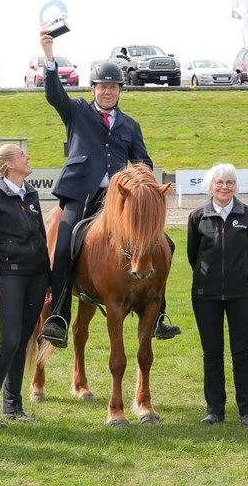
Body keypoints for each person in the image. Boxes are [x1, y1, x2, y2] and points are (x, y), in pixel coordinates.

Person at [38, 31, 180, 348]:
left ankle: (159, 315)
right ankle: (58, 317)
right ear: (92, 89)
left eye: (113, 87)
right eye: (102, 86)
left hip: (118, 200)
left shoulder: (130, 125)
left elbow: (143, 161)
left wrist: (139, 180)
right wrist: (49, 55)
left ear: (120, 91)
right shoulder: (76, 111)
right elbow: (54, 95)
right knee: (63, 246)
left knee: (164, 243)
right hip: (80, 196)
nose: (107, 91)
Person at [0, 144, 49, 429]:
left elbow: (41, 236)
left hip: (36, 277)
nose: (28, 157)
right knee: (9, 341)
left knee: (23, 341)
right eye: (22, 155)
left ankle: (13, 406)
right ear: (9, 165)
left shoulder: (31, 194)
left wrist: (49, 279)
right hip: (10, 276)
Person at [187, 163, 248, 428]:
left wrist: (244, 274)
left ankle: (247, 411)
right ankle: (214, 410)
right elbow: (193, 255)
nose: (224, 187)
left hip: (242, 294)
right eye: (219, 182)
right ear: (211, 186)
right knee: (212, 353)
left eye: (229, 182)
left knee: (242, 353)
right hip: (205, 295)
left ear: (235, 186)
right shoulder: (197, 217)